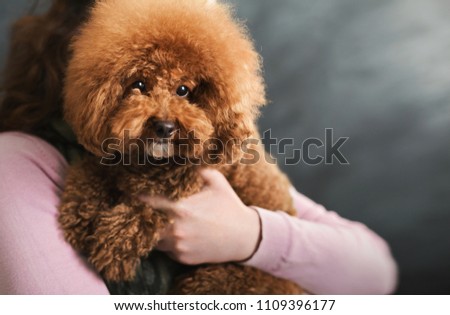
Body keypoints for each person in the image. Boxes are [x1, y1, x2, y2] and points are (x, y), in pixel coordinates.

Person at [0, 0, 397, 295]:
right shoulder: (16, 165)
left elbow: (374, 274)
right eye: (138, 84)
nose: (166, 116)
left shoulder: (219, 153)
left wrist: (251, 236)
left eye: (186, 90)